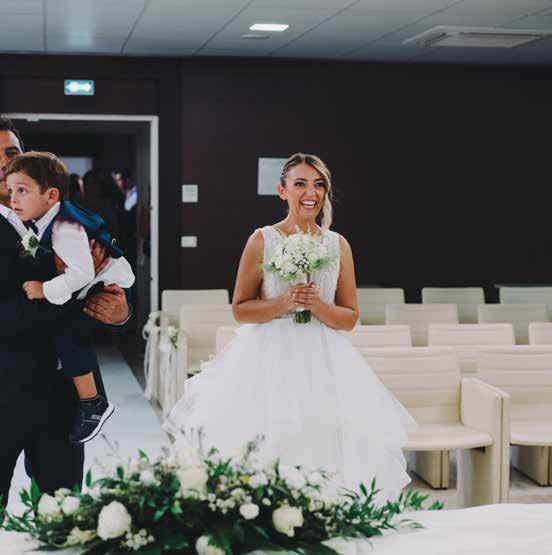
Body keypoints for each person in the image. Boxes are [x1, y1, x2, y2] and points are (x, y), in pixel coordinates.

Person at [166, 153, 412, 501]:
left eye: (318, 185)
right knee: (271, 438)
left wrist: (318, 306)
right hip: (268, 357)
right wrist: (285, 303)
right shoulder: (262, 240)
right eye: (300, 184)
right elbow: (240, 309)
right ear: (282, 190)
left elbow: (350, 317)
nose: (311, 193)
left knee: (324, 441)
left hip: (325, 360)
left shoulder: (338, 245)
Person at [0, 116, 130, 506]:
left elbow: (100, 277)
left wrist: (118, 310)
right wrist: (67, 293)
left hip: (63, 394)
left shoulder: (64, 218)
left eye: (11, 152)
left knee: (64, 510)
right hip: (4, 391)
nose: (5, 163)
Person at [6, 151, 135, 444]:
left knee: (69, 333)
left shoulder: (64, 227)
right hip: (18, 372)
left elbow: (81, 274)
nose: (14, 198)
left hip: (104, 284)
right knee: (68, 332)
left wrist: (44, 289)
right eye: (11, 190)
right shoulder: (43, 218)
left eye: (21, 191)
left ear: (50, 195)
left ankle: (92, 402)